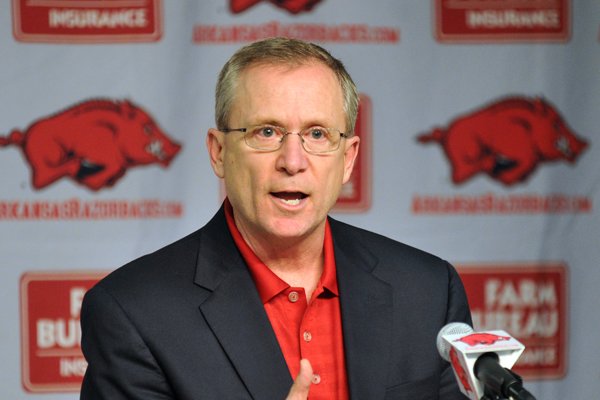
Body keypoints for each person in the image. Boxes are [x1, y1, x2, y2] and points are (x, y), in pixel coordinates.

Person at [80, 37, 472, 399]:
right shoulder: (132, 312)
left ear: (348, 159)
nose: (293, 162)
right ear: (219, 152)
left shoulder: (429, 291)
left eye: (318, 134)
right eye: (267, 132)